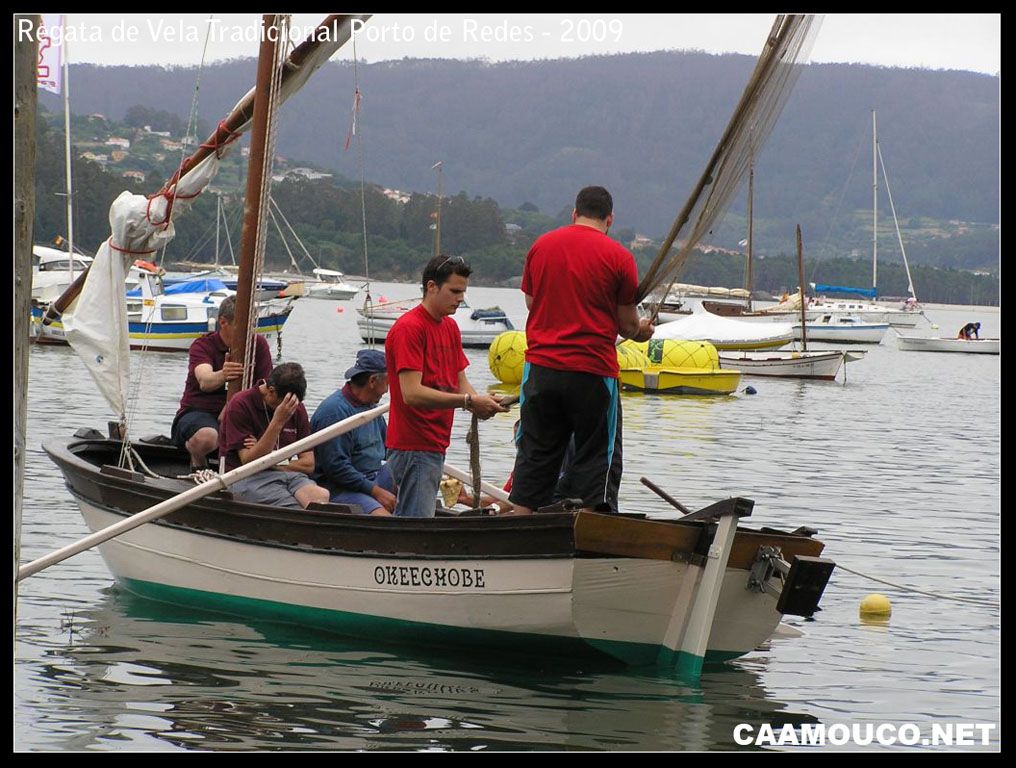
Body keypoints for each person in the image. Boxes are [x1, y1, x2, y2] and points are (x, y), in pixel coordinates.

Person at [507, 185, 654, 516]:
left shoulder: (541, 246)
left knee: (534, 458)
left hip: (541, 369)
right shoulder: (619, 257)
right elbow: (627, 325)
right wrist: (641, 331)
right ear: (610, 219)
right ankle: (586, 544)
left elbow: (532, 302)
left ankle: (517, 535)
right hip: (592, 372)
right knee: (595, 462)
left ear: (574, 214)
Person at [384, 254, 508, 517]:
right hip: (413, 446)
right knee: (414, 530)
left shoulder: (450, 327)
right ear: (431, 287)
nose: (460, 298)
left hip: (436, 444)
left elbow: (459, 380)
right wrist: (469, 402)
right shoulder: (410, 328)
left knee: (416, 523)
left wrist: (482, 403)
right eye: (454, 291)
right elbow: (412, 393)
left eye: (463, 291)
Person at [170, 295, 273, 471]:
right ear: (223, 322)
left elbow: (265, 386)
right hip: (200, 413)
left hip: (241, 414)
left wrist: (233, 407)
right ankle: (198, 460)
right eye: (242, 327)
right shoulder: (203, 345)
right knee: (207, 437)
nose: (248, 332)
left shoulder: (258, 345)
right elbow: (205, 380)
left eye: (252, 326)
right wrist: (223, 374)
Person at [218, 362, 330, 509]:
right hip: (245, 477)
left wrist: (271, 459)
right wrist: (278, 421)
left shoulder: (295, 407)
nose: (289, 408)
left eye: (293, 404)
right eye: (283, 404)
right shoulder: (241, 404)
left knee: (320, 496)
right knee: (293, 506)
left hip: (287, 474)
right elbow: (249, 462)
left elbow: (308, 464)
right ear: (271, 391)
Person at [311, 349, 395, 516]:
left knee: (412, 468)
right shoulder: (335, 412)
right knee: (384, 518)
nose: (387, 390)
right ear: (372, 381)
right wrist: (375, 492)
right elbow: (337, 468)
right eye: (387, 383)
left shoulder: (371, 409)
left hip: (373, 479)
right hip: (341, 488)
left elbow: (391, 449)